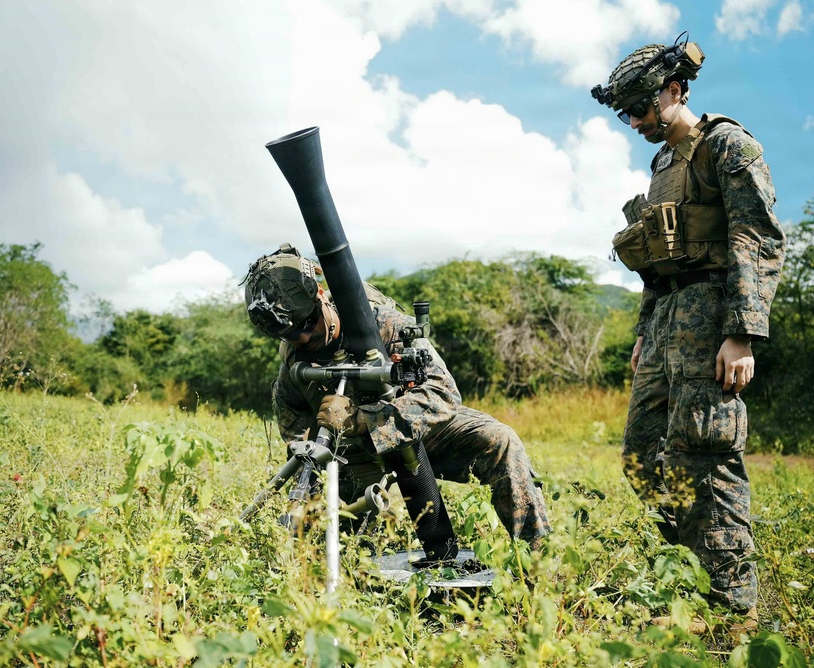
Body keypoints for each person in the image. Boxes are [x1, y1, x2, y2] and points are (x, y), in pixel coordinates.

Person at [591, 34, 785, 630]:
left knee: (707, 455)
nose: (635, 123)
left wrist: (743, 333)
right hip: (667, 318)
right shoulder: (662, 164)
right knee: (642, 455)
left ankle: (734, 606)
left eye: (642, 110)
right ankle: (686, 573)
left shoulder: (728, 145)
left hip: (713, 318)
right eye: (626, 114)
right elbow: (657, 261)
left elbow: (758, 239)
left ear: (676, 89)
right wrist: (645, 334)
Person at [243, 243, 551, 550]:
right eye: (291, 333)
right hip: (350, 453)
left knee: (500, 440)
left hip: (416, 429)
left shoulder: (384, 324)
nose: (304, 337)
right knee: (328, 545)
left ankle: (537, 563)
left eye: (309, 323)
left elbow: (443, 393)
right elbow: (296, 432)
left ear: (321, 295)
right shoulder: (294, 358)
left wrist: (365, 420)